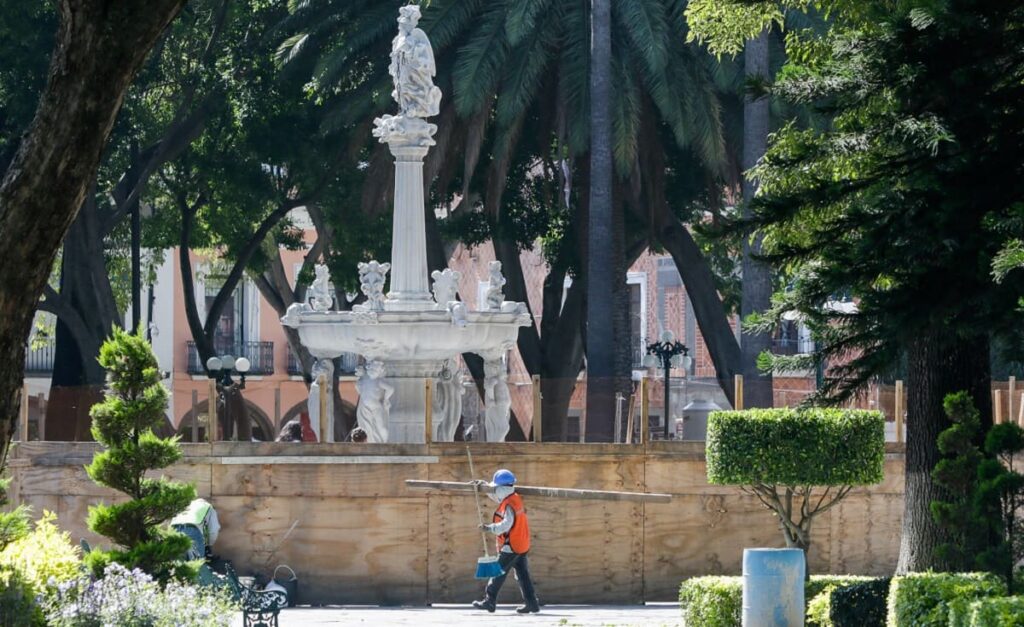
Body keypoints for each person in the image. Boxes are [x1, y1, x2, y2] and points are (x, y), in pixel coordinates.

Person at [472, 469, 540, 614]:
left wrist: (489, 528)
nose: (495, 491)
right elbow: (497, 497)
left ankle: (489, 601)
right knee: (523, 576)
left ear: (502, 489)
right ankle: (532, 604)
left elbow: (506, 525)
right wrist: (484, 486)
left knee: (497, 573)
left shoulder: (509, 504)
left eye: (496, 488)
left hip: (512, 546)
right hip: (521, 544)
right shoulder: (513, 498)